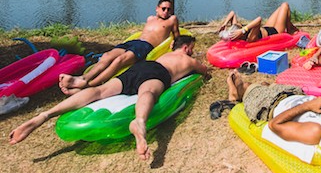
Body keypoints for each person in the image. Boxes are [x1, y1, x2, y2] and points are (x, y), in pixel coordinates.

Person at [10, 36, 210, 161]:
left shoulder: (163, 55)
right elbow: (204, 71)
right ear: (186, 48)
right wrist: (199, 65)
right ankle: (139, 122)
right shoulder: (188, 59)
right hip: (158, 73)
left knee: (100, 91)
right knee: (148, 92)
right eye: (191, 48)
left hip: (140, 68)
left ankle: (46, 114)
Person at [59, 0, 180, 94]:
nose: (166, 12)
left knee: (119, 60)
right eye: (163, 8)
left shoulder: (172, 20)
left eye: (169, 9)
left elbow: (177, 35)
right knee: (107, 56)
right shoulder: (150, 19)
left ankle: (90, 85)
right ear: (157, 9)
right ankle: (83, 78)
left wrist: (175, 41)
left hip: (145, 46)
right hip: (134, 42)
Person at [218, 1, 297, 42]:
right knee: (285, 5)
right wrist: (242, 30)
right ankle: (290, 30)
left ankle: (292, 27)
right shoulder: (250, 38)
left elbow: (232, 13)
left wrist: (225, 23)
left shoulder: (238, 30)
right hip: (276, 31)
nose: (239, 26)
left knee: (281, 9)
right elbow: (259, 19)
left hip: (266, 27)